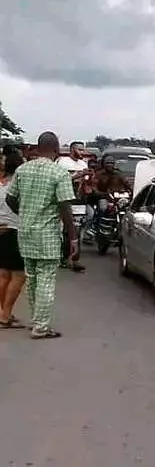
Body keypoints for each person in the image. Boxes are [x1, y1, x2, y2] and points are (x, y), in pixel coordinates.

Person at [5, 131, 77, 339]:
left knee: (32, 278)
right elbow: (65, 206)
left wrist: (25, 212)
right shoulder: (59, 173)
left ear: (37, 148)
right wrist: (73, 237)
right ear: (56, 150)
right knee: (46, 279)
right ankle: (41, 327)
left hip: (25, 232)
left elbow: (10, 199)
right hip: (47, 234)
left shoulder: (22, 170)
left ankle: (36, 320)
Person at [0, 147, 26, 328]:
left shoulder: (1, 185)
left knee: (3, 275)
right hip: (15, 231)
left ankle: (3, 312)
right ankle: (5, 315)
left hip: (2, 232)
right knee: (18, 276)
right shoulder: (18, 188)